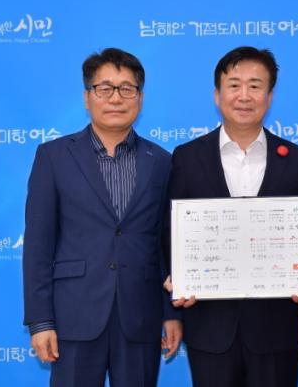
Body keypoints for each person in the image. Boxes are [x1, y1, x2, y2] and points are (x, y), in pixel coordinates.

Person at [165, 46, 298, 387]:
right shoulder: (187, 158)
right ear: (217, 94)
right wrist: (175, 278)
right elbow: (170, 235)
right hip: (209, 328)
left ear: (269, 96)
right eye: (234, 85)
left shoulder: (297, 160)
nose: (244, 96)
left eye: (255, 86)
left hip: (276, 329)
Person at [22, 48, 181, 387]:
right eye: (104, 88)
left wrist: (171, 313)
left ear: (140, 99)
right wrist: (41, 321)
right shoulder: (54, 157)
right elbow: (38, 246)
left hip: (140, 316)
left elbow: (166, 245)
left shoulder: (162, 161)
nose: (116, 98)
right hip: (74, 315)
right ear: (87, 97)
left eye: (127, 89)